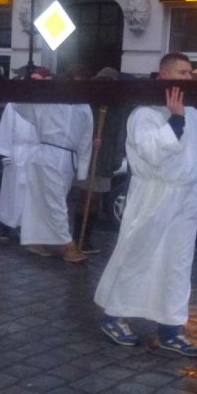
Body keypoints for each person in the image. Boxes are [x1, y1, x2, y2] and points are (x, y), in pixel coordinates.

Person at [94, 52, 197, 357]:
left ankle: (171, 328)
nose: (188, 78)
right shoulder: (143, 113)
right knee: (137, 255)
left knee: (177, 265)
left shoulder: (196, 116)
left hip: (184, 199)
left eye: (190, 73)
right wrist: (174, 122)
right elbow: (150, 152)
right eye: (181, 73)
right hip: (153, 194)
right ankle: (113, 315)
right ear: (164, 77)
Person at [14, 66, 93, 263]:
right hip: (47, 153)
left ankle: (36, 240)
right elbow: (21, 105)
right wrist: (30, 86)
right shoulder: (48, 100)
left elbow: (86, 139)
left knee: (47, 200)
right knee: (55, 201)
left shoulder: (84, 107)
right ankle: (67, 244)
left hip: (67, 158)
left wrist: (82, 169)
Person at [69, 66, 132, 254]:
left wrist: (115, 157)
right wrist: (90, 140)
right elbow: (77, 128)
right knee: (87, 196)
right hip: (89, 158)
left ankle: (85, 239)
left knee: (95, 199)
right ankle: (78, 238)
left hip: (104, 161)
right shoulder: (88, 104)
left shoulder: (118, 107)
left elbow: (119, 135)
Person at [0, 101, 38, 242]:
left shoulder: (44, 105)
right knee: (11, 192)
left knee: (31, 194)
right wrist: (4, 153)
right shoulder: (13, 105)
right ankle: (5, 225)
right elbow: (6, 128)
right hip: (16, 154)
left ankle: (25, 227)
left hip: (36, 154)